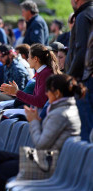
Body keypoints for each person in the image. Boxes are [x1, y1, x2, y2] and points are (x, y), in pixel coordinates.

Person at [0, 74, 84, 191]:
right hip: (46, 158)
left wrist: (33, 122)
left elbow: (41, 144)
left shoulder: (60, 113)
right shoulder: (64, 109)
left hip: (49, 163)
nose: (46, 94)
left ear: (57, 93)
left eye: (48, 90)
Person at [65, 0, 93, 141]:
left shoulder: (83, 16)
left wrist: (69, 78)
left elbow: (81, 51)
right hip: (85, 77)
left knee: (86, 129)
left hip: (83, 80)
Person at [1, 43, 60, 109]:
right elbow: (35, 98)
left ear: (35, 59)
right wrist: (16, 93)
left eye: (29, 57)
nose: (27, 59)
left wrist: (17, 92)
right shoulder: (41, 72)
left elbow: (39, 102)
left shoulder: (46, 73)